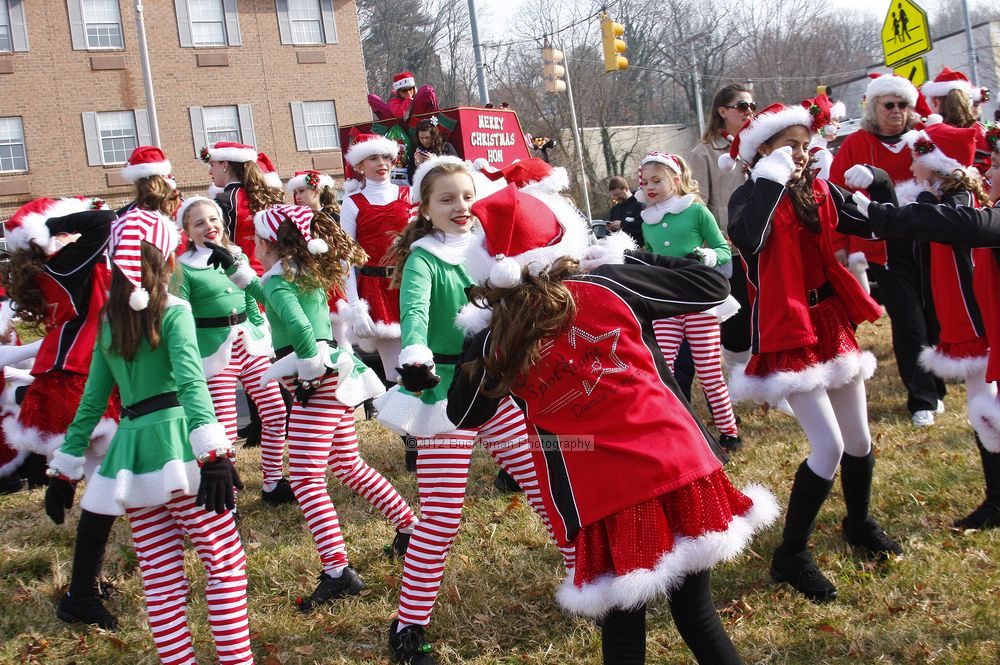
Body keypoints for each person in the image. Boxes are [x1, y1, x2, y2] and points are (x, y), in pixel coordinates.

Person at [446, 180, 778, 665]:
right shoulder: (610, 284)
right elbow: (713, 285)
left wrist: (480, 339)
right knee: (698, 614)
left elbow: (463, 413)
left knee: (624, 630)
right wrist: (631, 258)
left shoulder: (497, 339)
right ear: (566, 239)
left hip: (603, 490)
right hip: (675, 463)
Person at [45, 200, 254, 665]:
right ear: (168, 258)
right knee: (224, 566)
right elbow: (189, 381)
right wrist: (213, 451)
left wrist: (66, 469)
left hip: (131, 454)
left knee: (160, 576)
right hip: (181, 444)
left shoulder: (108, 320)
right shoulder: (175, 311)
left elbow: (93, 401)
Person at [375, 157, 566, 664]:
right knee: (440, 517)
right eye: (446, 199)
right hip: (445, 395)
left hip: (496, 386)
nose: (460, 207)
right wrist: (413, 353)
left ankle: (586, 575)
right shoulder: (423, 259)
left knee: (545, 483)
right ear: (425, 208)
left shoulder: (492, 248)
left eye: (466, 196)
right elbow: (412, 312)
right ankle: (408, 626)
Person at [725, 102, 902, 603]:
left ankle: (859, 523)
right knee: (826, 447)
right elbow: (748, 239)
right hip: (787, 329)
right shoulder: (749, 197)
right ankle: (791, 555)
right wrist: (768, 180)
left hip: (830, 321)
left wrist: (882, 183)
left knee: (860, 441)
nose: (801, 155)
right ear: (762, 150)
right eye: (790, 146)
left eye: (805, 145)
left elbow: (872, 223)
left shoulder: (817, 188)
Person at [248, 204, 415, 610]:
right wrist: (245, 280)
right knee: (348, 465)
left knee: (306, 479)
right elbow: (281, 301)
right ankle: (411, 528)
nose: (251, 244)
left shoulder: (278, 281)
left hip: (317, 381)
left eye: (255, 239)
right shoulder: (298, 273)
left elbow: (299, 327)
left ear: (269, 245)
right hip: (336, 376)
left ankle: (338, 572)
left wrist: (306, 369)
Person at [849, 122, 995, 530]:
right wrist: (880, 186)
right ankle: (996, 499)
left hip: (976, 319)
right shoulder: (941, 197)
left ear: (938, 164)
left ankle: (997, 502)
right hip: (962, 319)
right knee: (982, 408)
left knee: (985, 409)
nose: (911, 165)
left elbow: (925, 221)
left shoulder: (958, 203)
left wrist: (882, 211)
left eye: (918, 158)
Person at [3, 194, 120, 628]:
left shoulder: (50, 268)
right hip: (79, 377)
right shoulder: (66, 263)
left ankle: (85, 585)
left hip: (72, 374)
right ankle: (82, 591)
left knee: (108, 480)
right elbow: (104, 219)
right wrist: (51, 223)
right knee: (114, 479)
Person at [830, 74, 946, 427]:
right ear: (874, 107)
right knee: (909, 322)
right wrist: (841, 245)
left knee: (933, 318)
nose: (896, 112)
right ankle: (920, 399)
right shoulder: (857, 144)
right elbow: (837, 197)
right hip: (883, 248)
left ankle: (936, 384)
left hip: (927, 242)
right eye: (889, 105)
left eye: (903, 105)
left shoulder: (922, 142)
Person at [174, 196, 293, 505]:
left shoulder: (236, 255)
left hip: (248, 343)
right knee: (225, 426)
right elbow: (182, 316)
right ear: (187, 231)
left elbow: (251, 299)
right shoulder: (183, 268)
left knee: (276, 411)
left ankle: (272, 482)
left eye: (213, 220)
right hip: (214, 352)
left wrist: (260, 333)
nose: (209, 227)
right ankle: (230, 494)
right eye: (199, 223)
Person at [637, 152, 741, 449]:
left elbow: (722, 247)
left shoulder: (696, 211)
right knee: (663, 369)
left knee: (709, 371)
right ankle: (677, 429)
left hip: (698, 301)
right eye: (645, 183)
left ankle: (729, 432)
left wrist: (710, 255)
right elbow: (650, 258)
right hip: (667, 303)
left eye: (657, 180)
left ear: (676, 178)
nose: (651, 187)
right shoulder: (648, 221)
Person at [689, 83, 756, 370]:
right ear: (722, 111)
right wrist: (715, 245)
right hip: (730, 251)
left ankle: (770, 375)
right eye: (742, 106)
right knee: (737, 319)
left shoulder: (759, 147)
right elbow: (697, 205)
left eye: (752, 106)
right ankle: (741, 379)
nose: (749, 111)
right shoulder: (704, 153)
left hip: (763, 244)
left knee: (764, 313)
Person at [340, 134, 410, 382]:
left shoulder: (409, 194)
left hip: (410, 284)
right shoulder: (351, 203)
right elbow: (345, 258)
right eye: (373, 158)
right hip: (376, 289)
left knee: (424, 362)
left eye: (385, 157)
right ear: (360, 165)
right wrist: (355, 307)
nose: (381, 163)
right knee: (396, 373)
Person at [286, 169, 360, 353]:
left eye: (302, 191)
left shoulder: (333, 217)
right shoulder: (294, 221)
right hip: (309, 281)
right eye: (295, 192)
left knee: (342, 338)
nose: (298, 196)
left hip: (332, 280)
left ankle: (353, 371)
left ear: (317, 190)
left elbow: (347, 248)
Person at [203, 141, 284, 276]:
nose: (210, 171)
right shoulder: (267, 195)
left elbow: (218, 245)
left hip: (243, 277)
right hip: (277, 274)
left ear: (224, 165)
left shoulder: (225, 200)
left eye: (212, 165)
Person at [368, 71, 439, 121]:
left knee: (427, 90)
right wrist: (408, 99)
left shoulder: (418, 96)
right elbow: (400, 116)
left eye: (410, 88)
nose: (408, 92)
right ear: (399, 92)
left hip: (423, 121)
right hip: (407, 124)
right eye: (404, 90)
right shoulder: (394, 100)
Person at [406, 119, 458, 183]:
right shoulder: (417, 151)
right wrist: (418, 167)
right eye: (421, 138)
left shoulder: (446, 148)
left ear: (434, 136)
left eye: (427, 137)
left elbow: (456, 171)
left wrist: (435, 162)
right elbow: (411, 181)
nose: (424, 141)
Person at [607, 175, 644, 246]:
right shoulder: (614, 209)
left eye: (618, 194)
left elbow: (642, 226)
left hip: (638, 249)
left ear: (626, 189)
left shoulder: (639, 204)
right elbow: (608, 233)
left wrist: (622, 225)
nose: (616, 198)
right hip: (619, 250)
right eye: (613, 195)